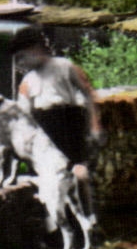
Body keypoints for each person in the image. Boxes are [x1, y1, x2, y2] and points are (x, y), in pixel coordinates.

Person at [9, 26, 103, 186]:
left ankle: (85, 200)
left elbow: (88, 93)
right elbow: (24, 115)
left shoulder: (65, 66)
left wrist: (95, 126)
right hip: (46, 130)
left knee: (81, 175)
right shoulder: (27, 82)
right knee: (55, 177)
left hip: (70, 124)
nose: (20, 64)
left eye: (22, 57)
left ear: (36, 48)